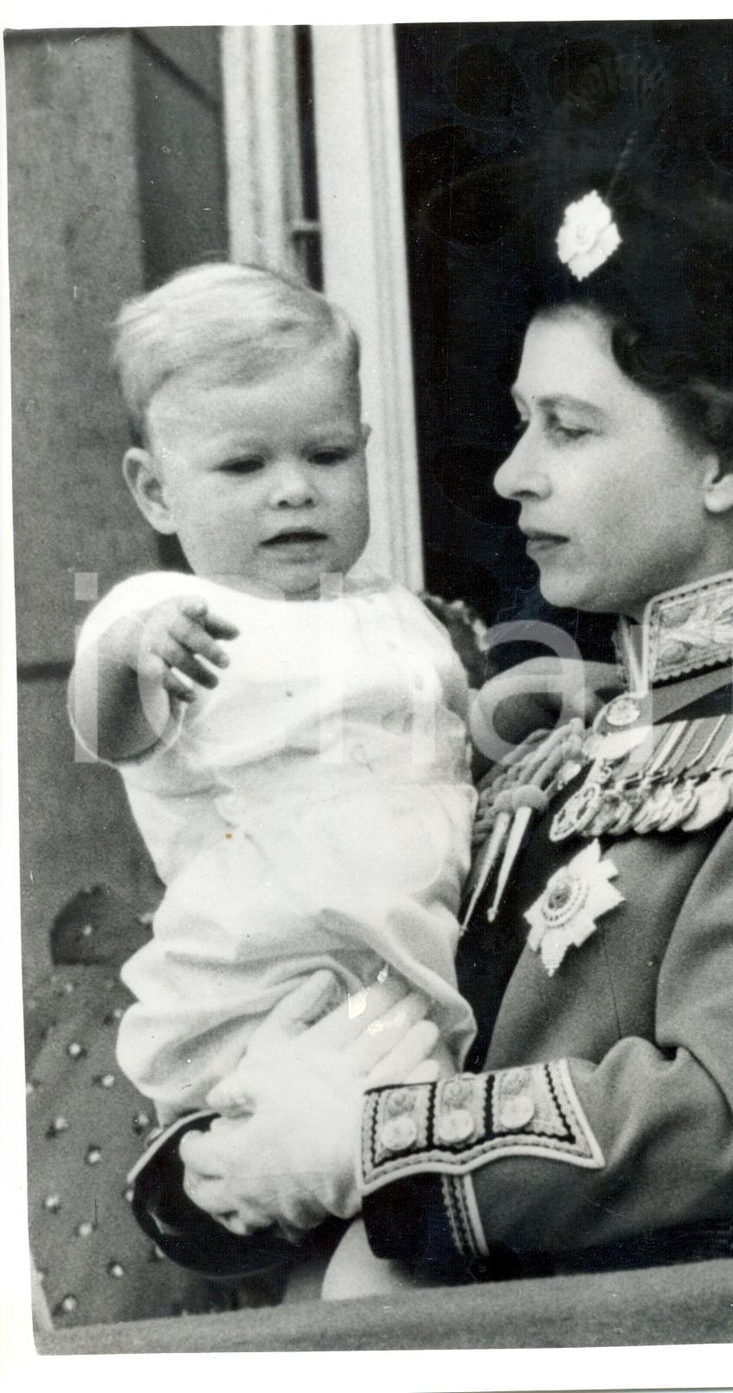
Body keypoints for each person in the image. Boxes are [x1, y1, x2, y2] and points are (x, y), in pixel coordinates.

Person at [132, 191, 733, 1289]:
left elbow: (725, 1113)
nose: (510, 472)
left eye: (566, 427)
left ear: (725, 462)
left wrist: (371, 1144)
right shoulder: (541, 739)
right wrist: (233, 1150)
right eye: (523, 421)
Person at [68, 263, 477, 1140]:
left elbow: (443, 755)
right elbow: (104, 726)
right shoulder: (171, 618)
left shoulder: (399, 614)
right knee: (364, 1192)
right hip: (268, 995)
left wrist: (507, 724)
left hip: (410, 979)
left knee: (401, 1211)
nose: (293, 488)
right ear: (155, 491)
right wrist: (132, 660)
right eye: (244, 464)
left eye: (327, 455)